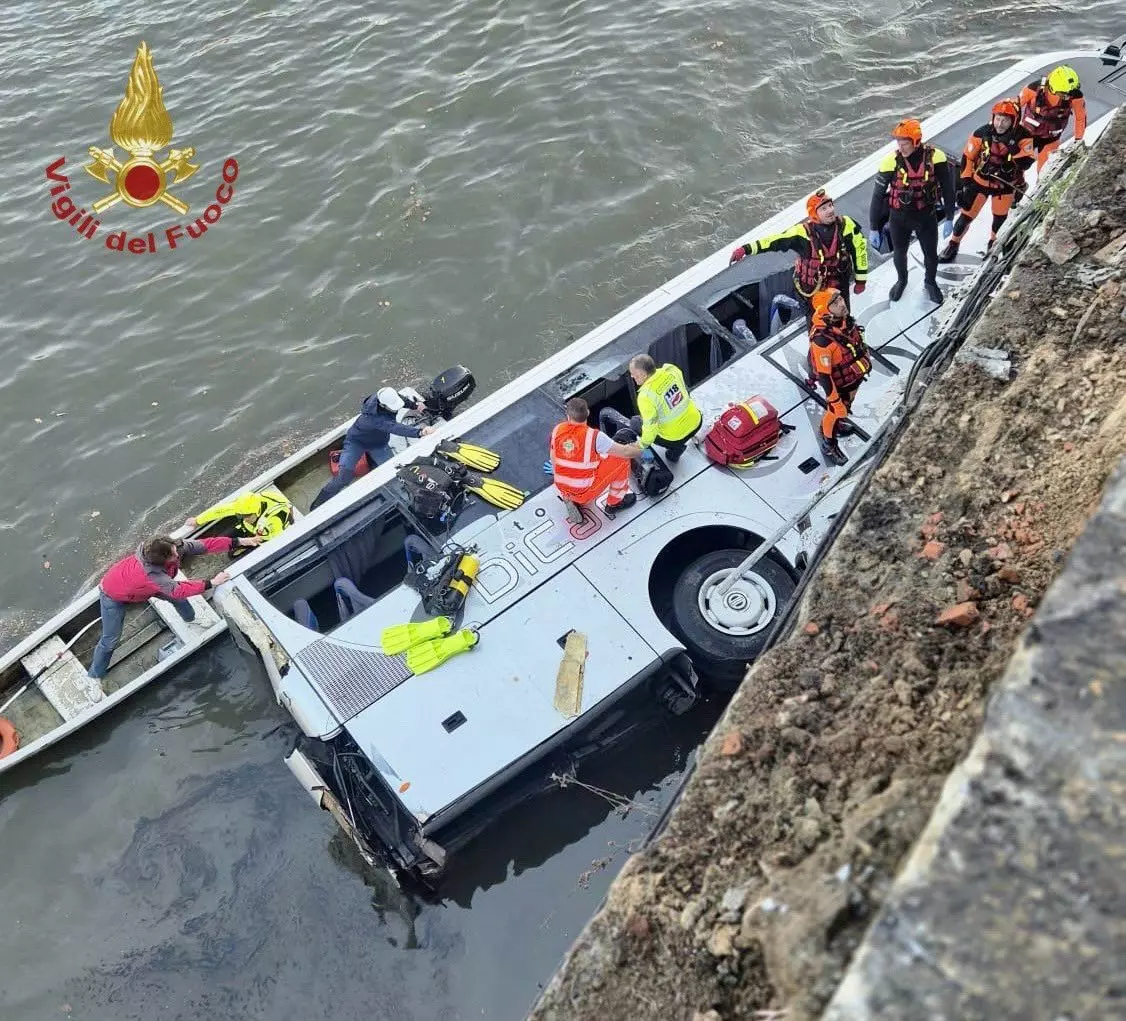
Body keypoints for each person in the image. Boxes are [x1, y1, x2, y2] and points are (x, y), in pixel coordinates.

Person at [88, 534, 260, 685]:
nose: (178, 554)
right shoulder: (153, 575)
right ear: (161, 561)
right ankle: (95, 675)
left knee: (179, 600)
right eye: (173, 555)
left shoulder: (173, 546)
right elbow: (178, 589)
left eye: (175, 549)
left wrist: (240, 541)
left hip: (145, 588)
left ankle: (191, 619)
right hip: (113, 595)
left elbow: (205, 545)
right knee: (110, 640)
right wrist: (212, 583)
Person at [729, 188, 869, 317]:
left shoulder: (847, 225)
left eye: (831, 205)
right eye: (824, 208)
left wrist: (861, 280)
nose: (830, 210)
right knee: (817, 324)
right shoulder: (802, 233)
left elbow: (860, 251)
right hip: (812, 290)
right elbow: (773, 241)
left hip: (839, 286)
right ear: (814, 214)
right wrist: (746, 249)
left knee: (844, 318)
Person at [869, 118, 957, 305]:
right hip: (899, 218)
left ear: (916, 142)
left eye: (905, 142)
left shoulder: (936, 157)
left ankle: (930, 282)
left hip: (926, 216)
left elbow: (948, 189)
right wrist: (874, 227)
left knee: (931, 254)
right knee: (900, 253)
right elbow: (877, 197)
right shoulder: (890, 162)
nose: (901, 147)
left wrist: (949, 217)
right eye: (898, 142)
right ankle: (902, 280)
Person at [311, 387, 437, 510]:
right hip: (356, 442)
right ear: (383, 406)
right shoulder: (374, 419)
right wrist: (420, 432)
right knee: (344, 476)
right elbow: (396, 428)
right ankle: (319, 503)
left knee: (392, 471)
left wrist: (415, 405)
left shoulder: (384, 395)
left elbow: (400, 399)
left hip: (379, 444)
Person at [940, 100, 1034, 262]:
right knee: (965, 218)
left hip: (1004, 185)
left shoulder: (1024, 137)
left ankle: (993, 246)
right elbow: (967, 158)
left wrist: (1014, 149)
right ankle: (953, 244)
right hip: (979, 182)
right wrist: (965, 185)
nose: (1000, 124)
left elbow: (1027, 163)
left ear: (1014, 120)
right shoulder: (981, 133)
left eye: (1005, 120)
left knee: (999, 220)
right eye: (998, 119)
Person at [808, 288, 872, 467]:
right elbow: (824, 375)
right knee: (835, 411)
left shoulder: (843, 322)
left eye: (841, 298)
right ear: (825, 310)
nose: (842, 303)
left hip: (852, 376)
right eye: (835, 303)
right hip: (838, 384)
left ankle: (838, 423)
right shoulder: (822, 340)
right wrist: (834, 400)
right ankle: (829, 442)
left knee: (847, 404)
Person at [598, 355, 702, 465]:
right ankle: (676, 449)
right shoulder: (671, 370)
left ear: (643, 374)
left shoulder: (646, 396)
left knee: (635, 422)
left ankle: (657, 456)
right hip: (696, 421)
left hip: (674, 438)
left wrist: (641, 445)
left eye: (634, 374)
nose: (632, 376)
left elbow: (650, 428)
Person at [552, 397, 641, 521]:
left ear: (567, 414)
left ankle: (569, 497)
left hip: (562, 487)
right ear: (588, 412)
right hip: (584, 493)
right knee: (621, 460)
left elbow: (554, 458)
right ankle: (615, 503)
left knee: (586, 460)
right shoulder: (594, 437)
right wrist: (641, 446)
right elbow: (625, 452)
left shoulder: (558, 430)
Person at [185, 490, 294, 557]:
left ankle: (247, 548)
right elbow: (220, 511)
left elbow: (269, 541)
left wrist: (249, 542)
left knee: (234, 552)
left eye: (246, 516)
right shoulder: (245, 506)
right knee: (221, 538)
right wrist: (197, 520)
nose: (244, 518)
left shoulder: (271, 522)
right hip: (251, 528)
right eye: (241, 516)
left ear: (257, 512)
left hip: (264, 535)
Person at [1019, 65, 1086, 172]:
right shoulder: (1032, 89)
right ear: (1052, 88)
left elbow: (1080, 118)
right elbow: (1014, 108)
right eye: (1063, 94)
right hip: (1025, 135)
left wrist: (1078, 140)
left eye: (1070, 94)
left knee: (1045, 172)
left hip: (1051, 140)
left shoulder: (1076, 97)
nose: (1068, 97)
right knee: (1016, 168)